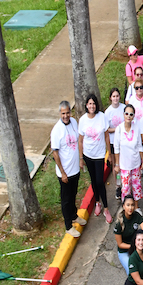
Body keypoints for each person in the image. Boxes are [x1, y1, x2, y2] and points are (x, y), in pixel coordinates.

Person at [51, 102, 86, 238]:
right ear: (60, 114)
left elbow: (78, 142)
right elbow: (55, 153)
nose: (66, 116)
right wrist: (63, 172)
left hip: (75, 170)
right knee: (66, 199)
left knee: (73, 195)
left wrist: (81, 159)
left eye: (67, 113)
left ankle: (73, 216)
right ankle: (68, 226)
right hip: (64, 173)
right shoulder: (56, 130)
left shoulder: (74, 123)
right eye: (63, 113)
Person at [78, 94, 112, 224]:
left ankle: (106, 208)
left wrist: (109, 153)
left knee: (99, 181)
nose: (92, 106)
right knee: (93, 181)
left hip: (99, 155)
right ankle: (97, 202)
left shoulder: (102, 117)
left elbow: (107, 136)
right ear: (86, 105)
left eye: (94, 104)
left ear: (96, 105)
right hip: (88, 155)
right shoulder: (82, 120)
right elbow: (80, 141)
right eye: (89, 104)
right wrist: (81, 158)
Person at [114, 104, 143, 209]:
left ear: (133, 116)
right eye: (126, 113)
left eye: (131, 114)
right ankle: (126, 209)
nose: (128, 116)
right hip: (124, 165)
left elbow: (139, 145)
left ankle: (136, 207)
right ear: (123, 115)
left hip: (135, 163)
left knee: (136, 187)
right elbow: (116, 148)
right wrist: (117, 164)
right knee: (126, 189)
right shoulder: (119, 129)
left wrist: (142, 160)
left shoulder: (136, 128)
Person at [113, 196, 143, 273]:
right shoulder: (119, 223)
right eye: (128, 205)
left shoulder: (137, 215)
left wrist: (140, 243)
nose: (130, 208)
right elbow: (120, 244)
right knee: (132, 271)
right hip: (124, 251)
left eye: (132, 205)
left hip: (136, 248)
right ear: (123, 206)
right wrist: (134, 246)